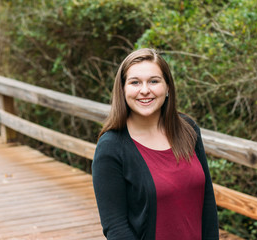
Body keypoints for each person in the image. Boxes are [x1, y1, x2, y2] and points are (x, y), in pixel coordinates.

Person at [92, 48, 219, 240]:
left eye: (154, 81)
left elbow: (207, 201)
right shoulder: (111, 147)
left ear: (167, 87)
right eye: (135, 82)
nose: (145, 90)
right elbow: (116, 227)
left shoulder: (188, 129)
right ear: (123, 89)